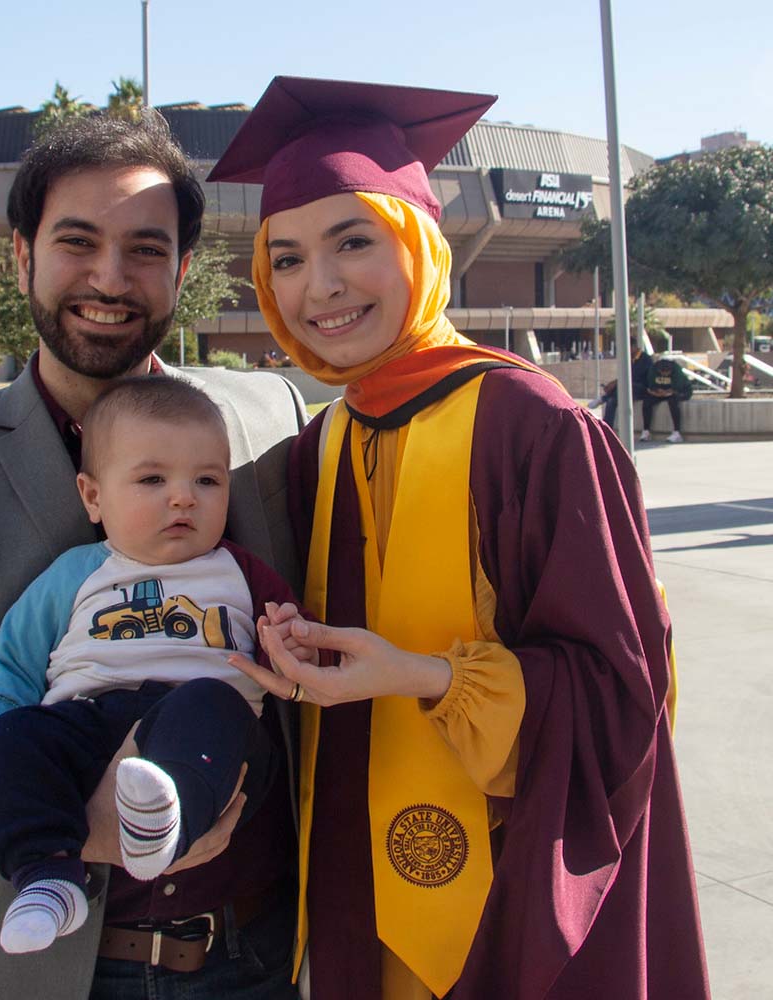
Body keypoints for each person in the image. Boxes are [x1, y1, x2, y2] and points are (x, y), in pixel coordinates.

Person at [211, 76, 710, 1000]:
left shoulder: (533, 427)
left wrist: (424, 676)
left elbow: (622, 699)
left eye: (352, 241)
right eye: (285, 258)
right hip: (355, 897)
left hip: (511, 906)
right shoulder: (320, 447)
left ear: (421, 245)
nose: (317, 286)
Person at [0, 111, 307, 1000]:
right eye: (76, 241)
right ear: (21, 255)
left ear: (181, 269)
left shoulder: (268, 425)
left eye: (145, 249)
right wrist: (78, 829)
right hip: (51, 967)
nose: (109, 278)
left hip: (260, 953)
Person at [0, 375, 311, 955]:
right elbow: (10, 664)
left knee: (213, 702)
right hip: (88, 723)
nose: (183, 497)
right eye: (152, 479)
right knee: (14, 736)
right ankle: (47, 876)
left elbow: (295, 640)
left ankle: (164, 823)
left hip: (201, 733)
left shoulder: (240, 573)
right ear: (93, 497)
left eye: (207, 480)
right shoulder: (76, 574)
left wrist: (293, 648)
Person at [599, 337, 651, 429]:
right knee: (611, 401)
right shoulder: (629, 359)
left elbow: (635, 376)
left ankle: (604, 398)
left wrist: (616, 383)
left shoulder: (645, 359)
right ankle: (606, 428)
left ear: (634, 346)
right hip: (628, 388)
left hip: (641, 388)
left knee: (623, 387)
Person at [641, 355, 693, 443]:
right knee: (647, 402)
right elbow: (650, 384)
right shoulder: (653, 369)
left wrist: (669, 391)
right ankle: (646, 431)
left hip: (678, 392)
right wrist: (657, 391)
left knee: (673, 403)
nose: (664, 374)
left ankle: (677, 432)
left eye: (666, 373)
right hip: (659, 392)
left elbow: (678, 387)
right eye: (662, 372)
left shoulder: (677, 370)